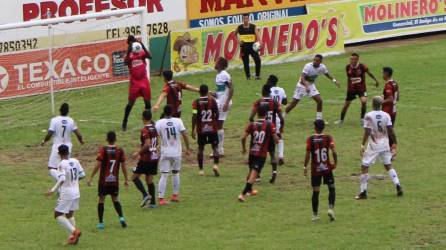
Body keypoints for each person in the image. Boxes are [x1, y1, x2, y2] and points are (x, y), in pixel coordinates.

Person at [355, 96, 403, 200]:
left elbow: (367, 132)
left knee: (364, 166)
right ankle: (398, 185)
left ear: (372, 104)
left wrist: (362, 144)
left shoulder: (369, 115)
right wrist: (394, 143)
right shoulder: (386, 115)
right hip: (385, 144)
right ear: (381, 104)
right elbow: (390, 130)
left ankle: (363, 192)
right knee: (388, 165)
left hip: (374, 145)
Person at [87, 131, 128, 230]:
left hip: (103, 181)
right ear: (115, 139)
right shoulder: (120, 150)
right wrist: (126, 179)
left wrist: (91, 177)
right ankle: (121, 218)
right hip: (114, 181)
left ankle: (101, 223)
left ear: (107, 139)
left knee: (101, 200)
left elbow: (98, 164)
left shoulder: (103, 150)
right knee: (115, 199)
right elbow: (123, 166)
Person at [45, 145, 84, 245]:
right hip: (77, 192)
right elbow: (82, 175)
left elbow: (62, 179)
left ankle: (74, 231)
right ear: (68, 152)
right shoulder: (75, 161)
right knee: (69, 214)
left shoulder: (62, 164)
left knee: (57, 214)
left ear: (59, 154)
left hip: (67, 193)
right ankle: (73, 238)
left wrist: (53, 190)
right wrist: (73, 181)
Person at [239, 105, 279, 202]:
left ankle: (250, 190)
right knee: (254, 174)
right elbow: (276, 139)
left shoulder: (252, 124)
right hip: (261, 155)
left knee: (251, 172)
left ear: (257, 113)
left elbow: (243, 138)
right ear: (266, 114)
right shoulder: (270, 125)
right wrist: (277, 139)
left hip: (252, 153)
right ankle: (242, 194)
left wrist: (244, 149)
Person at [155, 105, 192, 205]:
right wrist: (188, 148)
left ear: (164, 112)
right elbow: (184, 134)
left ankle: (161, 199)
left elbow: (154, 136)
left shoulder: (159, 123)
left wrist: (156, 147)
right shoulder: (178, 121)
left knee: (164, 175)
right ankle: (175, 196)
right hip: (177, 153)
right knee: (175, 173)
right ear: (172, 112)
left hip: (165, 152)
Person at [285, 54, 340, 120]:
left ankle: (319, 119)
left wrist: (334, 81)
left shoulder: (322, 67)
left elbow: (327, 74)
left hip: (310, 85)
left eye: (317, 61)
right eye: (314, 60)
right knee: (293, 104)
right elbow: (302, 77)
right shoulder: (308, 66)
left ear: (320, 62)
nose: (314, 61)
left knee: (319, 101)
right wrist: (306, 86)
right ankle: (282, 117)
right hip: (302, 85)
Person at [249, 84, 284, 184]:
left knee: (256, 153)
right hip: (271, 130)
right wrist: (280, 129)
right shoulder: (275, 103)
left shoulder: (258, 102)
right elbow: (281, 118)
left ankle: (257, 175)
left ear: (262, 91)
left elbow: (251, 117)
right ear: (269, 92)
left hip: (260, 131)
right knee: (272, 153)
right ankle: (274, 172)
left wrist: (254, 125)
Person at [304, 120, 338, 222]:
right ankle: (331, 209)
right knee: (331, 188)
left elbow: (308, 155)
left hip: (315, 170)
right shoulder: (328, 138)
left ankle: (315, 216)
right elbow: (334, 151)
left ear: (314, 127)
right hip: (327, 168)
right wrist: (335, 162)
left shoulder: (310, 139)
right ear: (323, 128)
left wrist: (305, 166)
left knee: (316, 192)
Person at [41, 103, 84, 182]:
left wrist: (44, 141)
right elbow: (78, 134)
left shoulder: (54, 120)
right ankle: (62, 186)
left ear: (60, 110)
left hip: (57, 146)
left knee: (52, 168)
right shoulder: (71, 120)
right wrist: (81, 141)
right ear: (68, 111)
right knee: (64, 166)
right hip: (68, 146)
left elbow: (50, 134)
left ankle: (63, 182)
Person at [336, 53, 379, 125]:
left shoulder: (362, 66)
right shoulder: (347, 67)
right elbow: (349, 78)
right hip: (351, 89)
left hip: (361, 89)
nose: (351, 60)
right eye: (351, 59)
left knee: (364, 101)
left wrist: (376, 80)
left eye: (353, 59)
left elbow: (369, 73)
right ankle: (341, 120)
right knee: (346, 105)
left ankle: (362, 119)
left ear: (357, 59)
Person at [121, 35, 152, 131]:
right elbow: (125, 63)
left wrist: (143, 46)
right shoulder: (129, 55)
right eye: (129, 43)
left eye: (132, 42)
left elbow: (150, 57)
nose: (131, 44)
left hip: (143, 81)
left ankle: (149, 121)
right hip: (135, 82)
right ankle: (124, 121)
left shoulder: (142, 53)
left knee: (147, 102)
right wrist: (129, 50)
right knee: (130, 103)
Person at [131, 110, 159, 208]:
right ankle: (153, 203)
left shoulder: (145, 130)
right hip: (154, 157)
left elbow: (147, 144)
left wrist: (138, 153)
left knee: (134, 177)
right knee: (149, 179)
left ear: (143, 118)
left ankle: (145, 195)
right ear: (150, 117)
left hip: (146, 158)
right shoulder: (154, 128)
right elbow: (157, 142)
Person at [191, 84, 220, 176]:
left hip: (201, 129)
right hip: (212, 128)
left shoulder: (196, 102)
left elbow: (194, 115)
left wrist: (193, 129)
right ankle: (215, 165)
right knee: (215, 147)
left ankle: (201, 170)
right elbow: (217, 113)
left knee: (200, 148)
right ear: (208, 92)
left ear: (199, 92)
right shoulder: (213, 101)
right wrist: (215, 121)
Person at [213, 57, 234, 157]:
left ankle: (219, 150)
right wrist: (214, 94)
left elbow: (231, 88)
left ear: (220, 64)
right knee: (217, 124)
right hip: (219, 101)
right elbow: (221, 90)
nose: (214, 63)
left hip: (223, 103)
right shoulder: (218, 75)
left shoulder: (225, 75)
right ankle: (219, 149)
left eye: (216, 61)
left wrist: (227, 102)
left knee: (218, 125)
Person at [235, 13, 262, 80]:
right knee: (246, 63)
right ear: (242, 19)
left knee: (258, 60)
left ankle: (257, 76)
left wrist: (260, 42)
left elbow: (258, 35)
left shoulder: (253, 26)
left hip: (253, 46)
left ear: (249, 19)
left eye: (247, 18)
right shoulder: (239, 27)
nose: (246, 20)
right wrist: (239, 41)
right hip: (244, 47)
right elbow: (235, 34)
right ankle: (248, 76)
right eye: (244, 19)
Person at [267, 75, 287, 165]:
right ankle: (281, 156)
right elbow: (285, 102)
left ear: (270, 81)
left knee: (268, 137)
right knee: (278, 135)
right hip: (278, 116)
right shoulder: (281, 89)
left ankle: (272, 157)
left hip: (268, 116)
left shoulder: (267, 90)